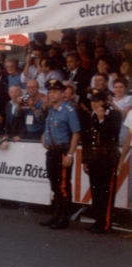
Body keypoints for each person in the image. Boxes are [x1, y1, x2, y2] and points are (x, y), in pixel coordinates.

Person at [39, 79, 81, 230]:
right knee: (54, 184)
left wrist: (70, 155)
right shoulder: (51, 111)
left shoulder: (69, 111)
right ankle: (57, 215)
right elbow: (47, 128)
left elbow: (76, 134)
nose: (51, 94)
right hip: (51, 151)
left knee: (63, 186)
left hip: (62, 152)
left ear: (62, 93)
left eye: (55, 91)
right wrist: (44, 137)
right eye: (50, 92)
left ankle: (63, 218)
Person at [82, 90, 121, 233]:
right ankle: (98, 221)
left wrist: (101, 119)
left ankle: (105, 223)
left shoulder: (115, 115)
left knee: (106, 192)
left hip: (107, 159)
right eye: (92, 101)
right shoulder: (89, 116)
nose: (94, 104)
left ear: (105, 102)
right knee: (95, 191)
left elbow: (110, 134)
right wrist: (85, 160)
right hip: (93, 158)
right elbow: (86, 140)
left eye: (98, 101)